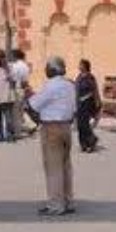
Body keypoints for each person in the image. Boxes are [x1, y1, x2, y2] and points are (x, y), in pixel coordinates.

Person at [27, 56, 77, 216]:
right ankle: (67, 201)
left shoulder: (50, 86)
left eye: (47, 68)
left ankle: (56, 204)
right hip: (66, 126)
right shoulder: (70, 85)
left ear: (53, 70)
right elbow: (74, 108)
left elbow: (33, 104)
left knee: (53, 167)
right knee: (65, 166)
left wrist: (28, 95)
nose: (45, 70)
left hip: (51, 128)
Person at [75, 58, 102, 153]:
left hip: (87, 104)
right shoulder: (79, 76)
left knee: (85, 124)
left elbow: (93, 90)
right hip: (79, 104)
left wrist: (85, 98)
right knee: (80, 125)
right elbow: (77, 88)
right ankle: (83, 144)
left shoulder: (90, 77)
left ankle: (91, 142)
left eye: (81, 64)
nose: (79, 66)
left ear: (85, 66)